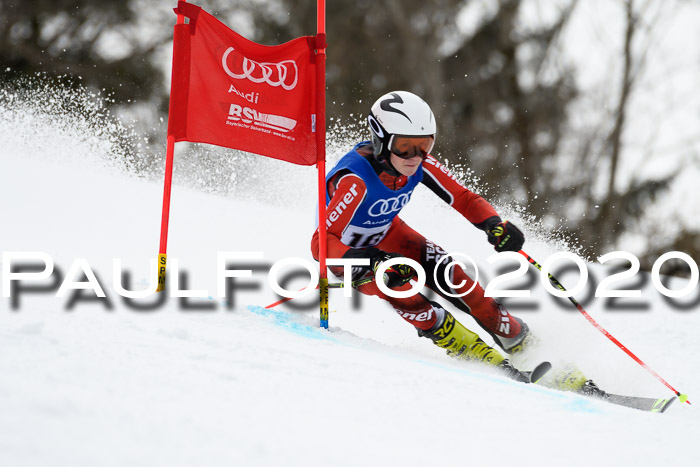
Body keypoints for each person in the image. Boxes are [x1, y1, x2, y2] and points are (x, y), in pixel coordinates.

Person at [311, 90, 537, 381]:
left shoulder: (420, 164)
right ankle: (474, 352)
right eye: (404, 147)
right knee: (400, 286)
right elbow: (320, 244)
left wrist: (494, 225)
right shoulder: (356, 180)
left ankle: (521, 340)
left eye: (425, 145)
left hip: (388, 232)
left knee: (454, 277)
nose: (415, 156)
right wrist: (373, 260)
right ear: (381, 139)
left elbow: (464, 199)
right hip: (350, 255)